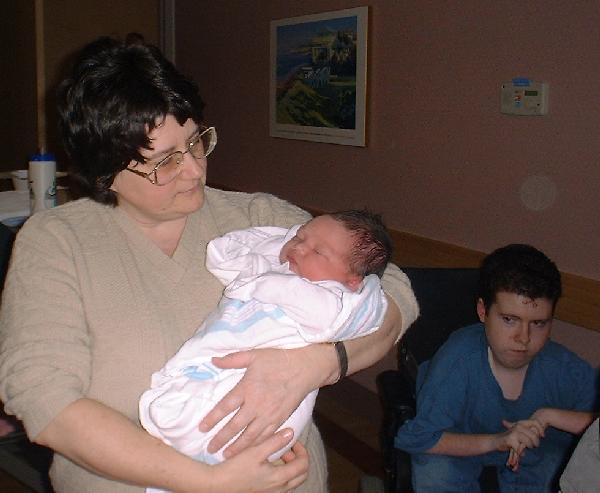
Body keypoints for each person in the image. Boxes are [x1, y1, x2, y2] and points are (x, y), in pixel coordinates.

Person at [0, 34, 418, 493]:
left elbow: (392, 288)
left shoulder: (258, 218)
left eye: (197, 140)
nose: (195, 170)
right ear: (105, 172)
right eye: (164, 161)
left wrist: (321, 362)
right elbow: (44, 399)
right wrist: (209, 481)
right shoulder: (56, 242)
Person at [140, 210, 391, 476]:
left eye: (318, 252)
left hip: (266, 396)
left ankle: (194, 451)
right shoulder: (280, 269)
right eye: (299, 237)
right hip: (219, 369)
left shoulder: (333, 301)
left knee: (210, 425)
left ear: (352, 280)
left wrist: (256, 283)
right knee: (187, 415)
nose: (300, 247)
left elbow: (323, 310)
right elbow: (225, 257)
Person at [395, 244, 598, 492]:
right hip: (459, 442)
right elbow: (421, 439)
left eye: (538, 323)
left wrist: (548, 415)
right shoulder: (457, 361)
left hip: (534, 454)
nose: (523, 338)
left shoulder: (563, 367)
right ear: (483, 311)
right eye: (509, 320)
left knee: (564, 467)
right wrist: (498, 441)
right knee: (434, 471)